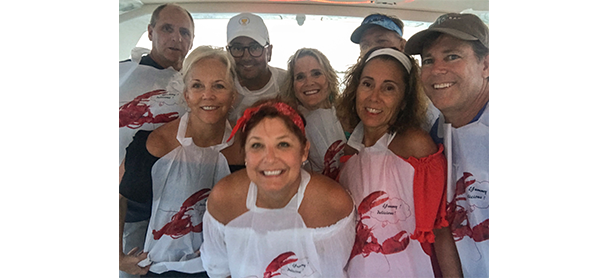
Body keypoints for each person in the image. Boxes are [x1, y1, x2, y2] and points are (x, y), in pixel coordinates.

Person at [335, 47, 462, 277]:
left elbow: (440, 228)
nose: (374, 96)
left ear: (404, 101)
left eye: (389, 88)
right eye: (367, 84)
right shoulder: (349, 150)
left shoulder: (416, 146)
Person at [119, 46, 243, 278]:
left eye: (219, 85)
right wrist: (118, 257)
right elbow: (118, 197)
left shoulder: (248, 149)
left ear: (232, 95)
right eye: (197, 86)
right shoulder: (153, 145)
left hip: (224, 267)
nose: (208, 95)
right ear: (186, 94)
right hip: (161, 268)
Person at [200, 100, 356, 278]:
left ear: (304, 151)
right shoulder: (224, 198)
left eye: (283, 144)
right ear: (244, 154)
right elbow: (219, 270)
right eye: (257, 145)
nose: (270, 158)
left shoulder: (332, 203)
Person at [404, 13, 489, 278]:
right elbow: (442, 227)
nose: (437, 69)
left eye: (452, 56)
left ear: (486, 64)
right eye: (428, 60)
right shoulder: (437, 134)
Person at [119, 4, 195, 278]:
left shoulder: (195, 84)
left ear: (191, 41)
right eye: (167, 29)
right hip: (131, 204)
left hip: (181, 202)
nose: (176, 38)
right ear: (150, 32)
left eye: (184, 32)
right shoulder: (118, 75)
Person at [278, 48, 346, 179]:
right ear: (292, 85)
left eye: (316, 73)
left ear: (329, 77)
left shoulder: (350, 115)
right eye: (300, 77)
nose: (309, 82)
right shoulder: (286, 126)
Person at [225, 12, 288, 123]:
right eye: (237, 48)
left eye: (255, 47)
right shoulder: (221, 86)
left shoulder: (287, 82)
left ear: (269, 52)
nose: (246, 57)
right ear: (228, 52)